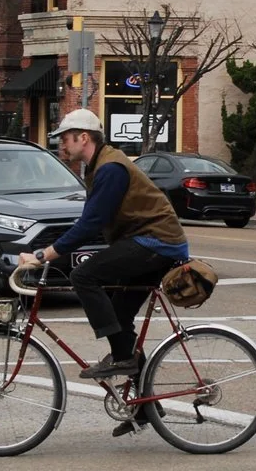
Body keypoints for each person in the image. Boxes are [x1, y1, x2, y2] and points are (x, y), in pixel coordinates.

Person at [18, 108, 190, 394]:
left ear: (84, 138)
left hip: (157, 243)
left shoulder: (110, 168)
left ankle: (122, 359)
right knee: (120, 316)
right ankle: (145, 406)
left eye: (66, 139)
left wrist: (43, 255)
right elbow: (90, 222)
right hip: (148, 242)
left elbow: (91, 224)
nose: (61, 145)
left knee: (84, 276)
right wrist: (55, 248)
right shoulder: (100, 167)